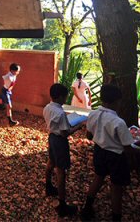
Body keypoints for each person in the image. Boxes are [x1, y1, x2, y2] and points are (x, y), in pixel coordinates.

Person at [80, 84, 140, 221]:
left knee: (98, 177)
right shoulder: (118, 122)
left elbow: (89, 136)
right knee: (116, 186)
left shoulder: (93, 114)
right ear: (117, 101)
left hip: (99, 151)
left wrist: (101, 135)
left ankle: (87, 208)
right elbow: (128, 149)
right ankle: (116, 218)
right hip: (116, 156)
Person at [43, 83, 84, 217]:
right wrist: (78, 127)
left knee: (51, 161)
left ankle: (48, 186)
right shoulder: (60, 113)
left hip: (51, 138)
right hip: (60, 142)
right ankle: (62, 205)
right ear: (60, 96)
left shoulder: (47, 107)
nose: (66, 99)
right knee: (61, 171)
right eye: (66, 96)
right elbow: (65, 133)